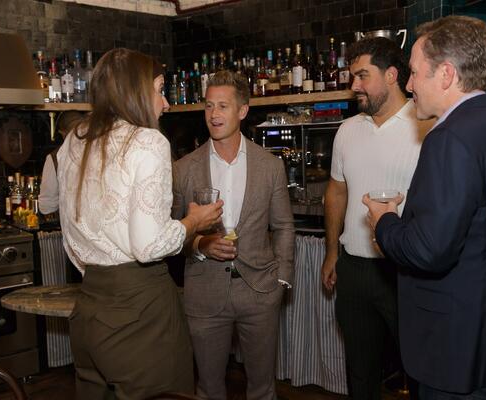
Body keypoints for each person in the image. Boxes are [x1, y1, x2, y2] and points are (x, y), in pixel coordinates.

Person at [363, 15, 486, 400]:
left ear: (445, 75)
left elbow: (430, 251)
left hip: (454, 352)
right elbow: (482, 229)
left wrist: (385, 222)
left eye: (413, 73)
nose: (409, 86)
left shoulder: (449, 139)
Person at [57, 48, 223, 400]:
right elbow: (148, 247)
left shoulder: (74, 139)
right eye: (160, 89)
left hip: (88, 308)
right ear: (134, 91)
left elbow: (70, 237)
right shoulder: (147, 142)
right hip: (140, 311)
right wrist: (193, 221)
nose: (165, 103)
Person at [320, 37, 432, 400]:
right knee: (360, 372)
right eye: (353, 77)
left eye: (362, 76)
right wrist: (332, 252)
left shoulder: (425, 127)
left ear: (392, 76)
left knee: (418, 369)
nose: (354, 86)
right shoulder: (347, 130)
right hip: (353, 268)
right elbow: (336, 192)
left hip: (403, 271)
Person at [172, 70, 295, 400]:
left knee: (262, 389)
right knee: (209, 389)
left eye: (223, 106)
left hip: (260, 291)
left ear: (242, 110)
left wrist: (281, 280)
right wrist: (200, 244)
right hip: (204, 291)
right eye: (209, 105)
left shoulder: (269, 165)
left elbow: (283, 225)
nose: (213, 114)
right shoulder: (183, 169)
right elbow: (170, 232)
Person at [39, 111, 84, 215]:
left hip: (71, 227)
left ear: (62, 133)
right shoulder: (102, 151)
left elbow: (46, 207)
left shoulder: (55, 158)